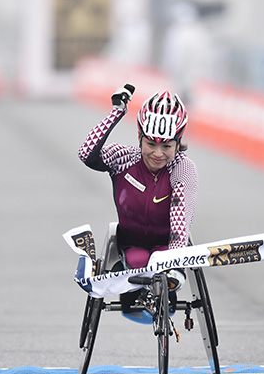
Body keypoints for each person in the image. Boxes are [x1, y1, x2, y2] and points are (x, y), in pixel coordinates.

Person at [78, 86, 198, 316]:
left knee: (160, 261)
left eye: (167, 146)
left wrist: (172, 263)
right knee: (138, 259)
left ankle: (166, 292)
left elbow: (180, 222)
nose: (158, 154)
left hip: (168, 246)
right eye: (151, 144)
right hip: (132, 243)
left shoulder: (183, 168)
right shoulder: (124, 159)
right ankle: (134, 294)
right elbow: (86, 154)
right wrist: (116, 113)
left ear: (178, 143)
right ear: (140, 138)